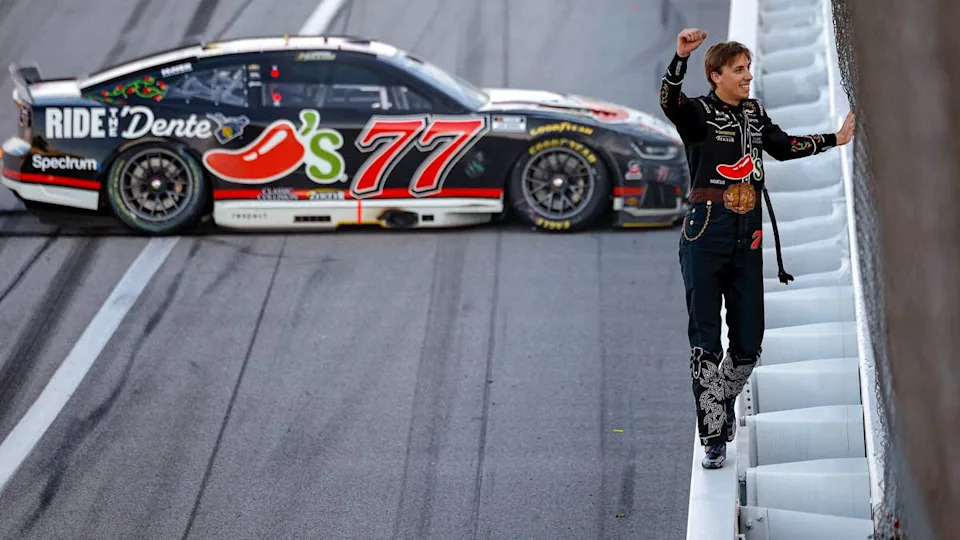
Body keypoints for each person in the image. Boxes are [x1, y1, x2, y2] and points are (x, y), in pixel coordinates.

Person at [659, 28, 855, 469]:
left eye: (749, 68)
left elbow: (782, 147)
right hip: (705, 231)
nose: (748, 76)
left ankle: (720, 403)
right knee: (705, 341)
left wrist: (834, 139)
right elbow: (670, 102)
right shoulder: (698, 115)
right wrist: (679, 58)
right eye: (739, 70)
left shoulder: (752, 113)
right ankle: (713, 436)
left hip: (748, 233)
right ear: (716, 76)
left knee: (749, 341)